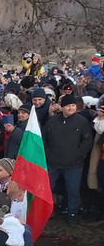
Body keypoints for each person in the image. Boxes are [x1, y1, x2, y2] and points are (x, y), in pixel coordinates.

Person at [44, 93, 93, 224]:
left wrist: (78, 154)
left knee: (73, 191)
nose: (71, 108)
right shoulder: (53, 121)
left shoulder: (82, 121)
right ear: (62, 107)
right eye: (68, 106)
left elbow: (87, 141)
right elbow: (45, 139)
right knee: (48, 188)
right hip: (53, 162)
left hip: (74, 164)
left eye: (73, 105)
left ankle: (73, 215)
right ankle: (46, 212)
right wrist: (48, 153)